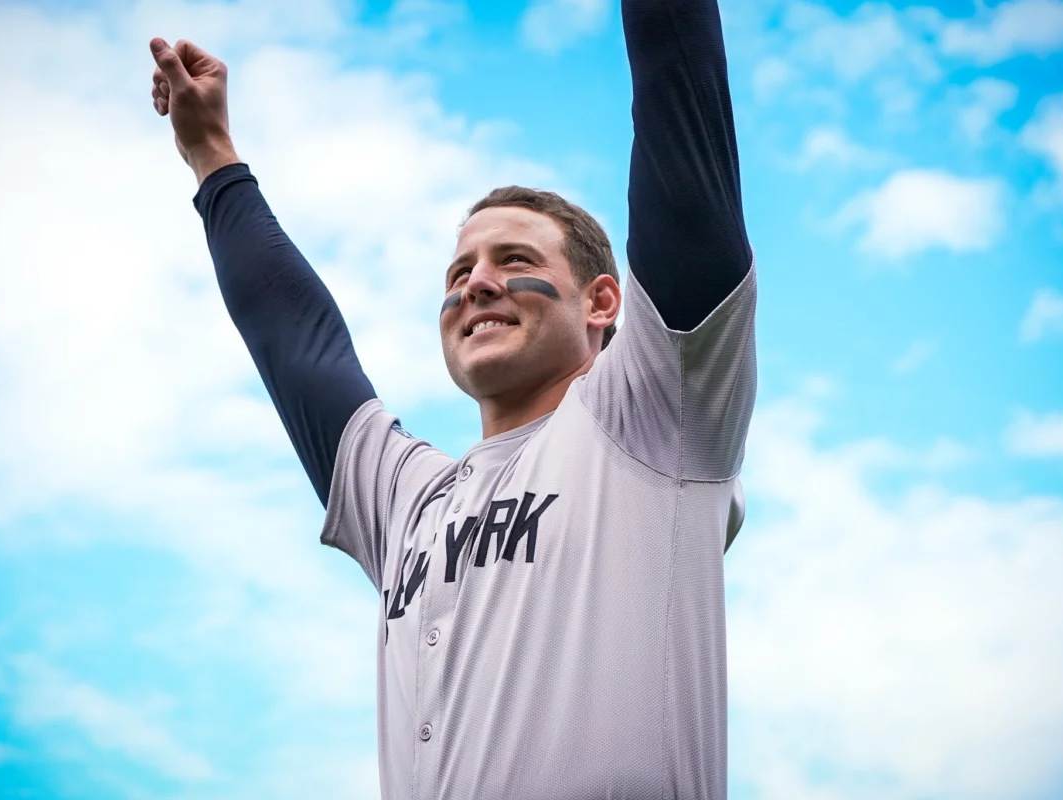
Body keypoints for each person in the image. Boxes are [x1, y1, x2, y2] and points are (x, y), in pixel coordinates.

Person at [150, 0, 754, 797]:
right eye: (458, 270)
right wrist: (212, 156)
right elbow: (297, 344)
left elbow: (684, 146)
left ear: (604, 303)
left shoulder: (653, 414)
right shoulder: (410, 500)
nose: (477, 283)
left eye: (512, 258)